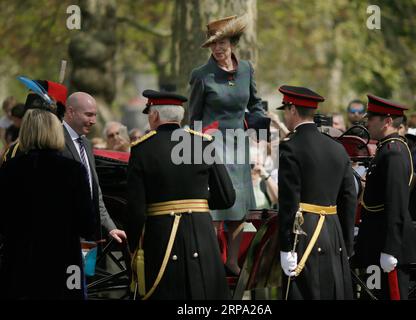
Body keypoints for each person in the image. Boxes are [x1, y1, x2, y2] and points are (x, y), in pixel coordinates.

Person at [126, 90, 235, 300]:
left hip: (161, 237)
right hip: (201, 233)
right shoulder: (202, 143)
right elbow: (227, 197)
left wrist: (132, 247)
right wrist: (199, 201)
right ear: (180, 116)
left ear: (154, 116)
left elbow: (136, 210)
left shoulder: (142, 149)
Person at [188, 14, 267, 276]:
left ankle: (231, 261)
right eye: (213, 44)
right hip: (212, 145)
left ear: (232, 42)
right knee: (214, 207)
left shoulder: (246, 69)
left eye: (222, 42)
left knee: (238, 208)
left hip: (239, 144)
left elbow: (255, 104)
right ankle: (210, 260)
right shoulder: (201, 75)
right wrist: (194, 152)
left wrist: (260, 133)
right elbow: (194, 117)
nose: (218, 48)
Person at [0, 108, 95, 299]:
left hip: (20, 263)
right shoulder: (73, 171)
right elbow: (87, 225)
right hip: (63, 265)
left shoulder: (9, 169)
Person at [277, 85, 356, 300]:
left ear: (292, 109)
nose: (285, 115)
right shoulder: (337, 148)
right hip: (334, 232)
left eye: (285, 110)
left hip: (304, 233)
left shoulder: (290, 147)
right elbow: (349, 198)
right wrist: (347, 244)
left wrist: (285, 247)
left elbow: (288, 202)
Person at [354, 94, 416, 300]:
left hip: (386, 242)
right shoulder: (386, 148)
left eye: (372, 117)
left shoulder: (393, 152)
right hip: (376, 239)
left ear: (388, 121)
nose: (367, 121)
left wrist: (391, 248)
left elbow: (397, 203)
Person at [63, 92, 127, 243]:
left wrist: (110, 227)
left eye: (95, 115)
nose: (93, 121)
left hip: (90, 236)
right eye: (89, 115)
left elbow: (94, 190)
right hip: (65, 237)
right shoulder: (55, 140)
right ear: (71, 112)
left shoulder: (86, 144)